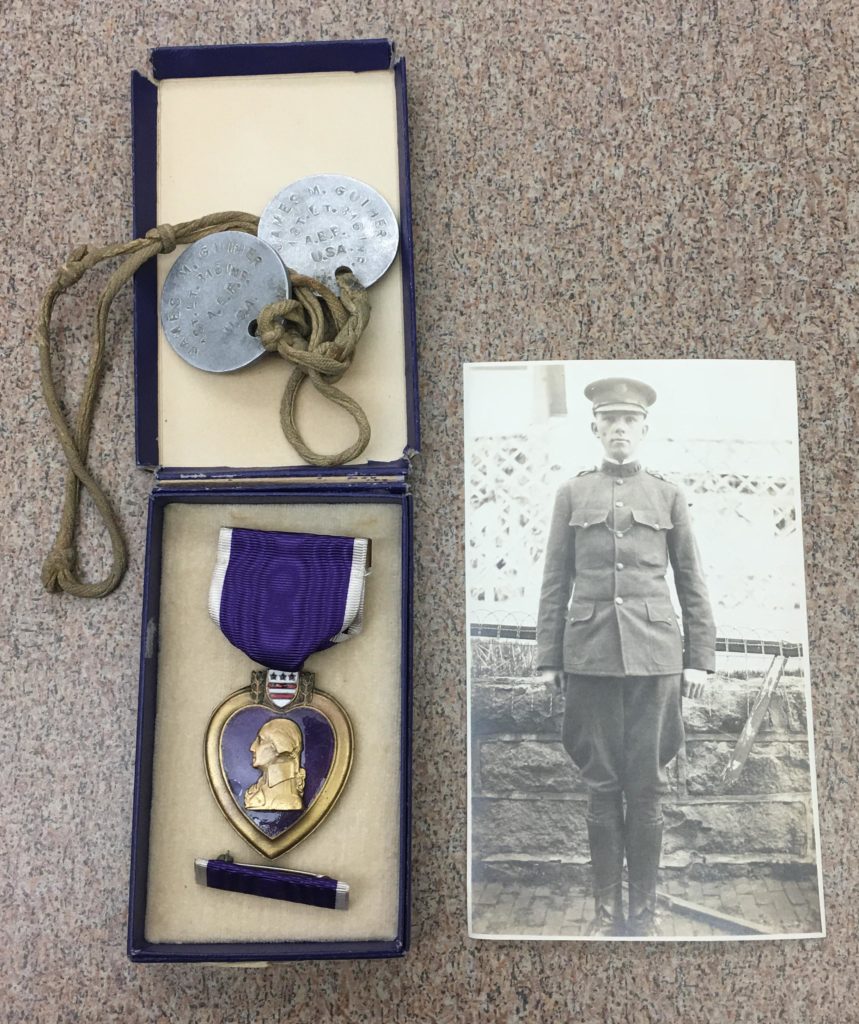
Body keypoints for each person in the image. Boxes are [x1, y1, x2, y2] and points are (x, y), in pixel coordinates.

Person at [536, 377, 715, 937]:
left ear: (644, 429)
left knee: (648, 786)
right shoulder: (573, 493)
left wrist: (698, 658)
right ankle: (606, 912)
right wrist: (549, 656)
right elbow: (554, 580)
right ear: (596, 429)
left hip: (656, 661)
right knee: (601, 786)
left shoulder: (667, 495)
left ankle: (645, 913)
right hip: (588, 660)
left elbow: (691, 578)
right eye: (609, 422)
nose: (620, 431)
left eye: (629, 422)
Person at [244, 718, 307, 811]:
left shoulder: (288, 801)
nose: (252, 748)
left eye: (260, 741)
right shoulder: (257, 791)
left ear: (281, 746)